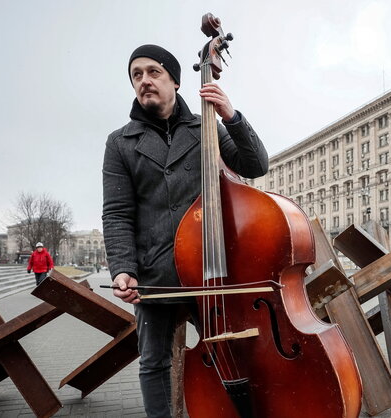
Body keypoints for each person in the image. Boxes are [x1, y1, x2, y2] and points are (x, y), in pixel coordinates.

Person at [103, 44, 268, 417]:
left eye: (153, 72)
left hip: (211, 269)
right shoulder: (119, 143)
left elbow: (255, 165)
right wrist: (123, 269)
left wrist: (231, 115)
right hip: (155, 271)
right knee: (154, 362)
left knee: (233, 351)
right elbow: (116, 213)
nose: (144, 80)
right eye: (136, 75)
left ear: (175, 80)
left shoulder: (206, 127)